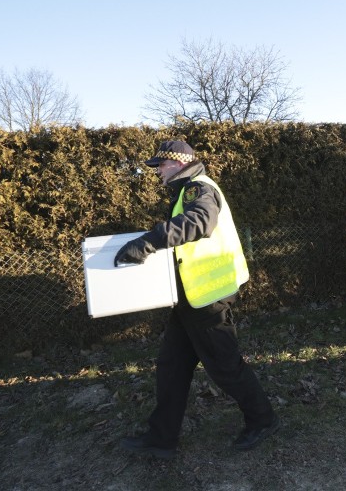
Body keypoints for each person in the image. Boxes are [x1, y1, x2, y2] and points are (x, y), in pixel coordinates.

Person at [114, 140, 279, 458]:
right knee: (172, 367)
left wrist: (150, 241)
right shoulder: (185, 192)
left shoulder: (197, 189)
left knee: (226, 367)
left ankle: (263, 420)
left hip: (209, 299)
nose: (157, 172)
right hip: (191, 299)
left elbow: (199, 224)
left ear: (177, 163)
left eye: (160, 166)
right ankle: (162, 438)